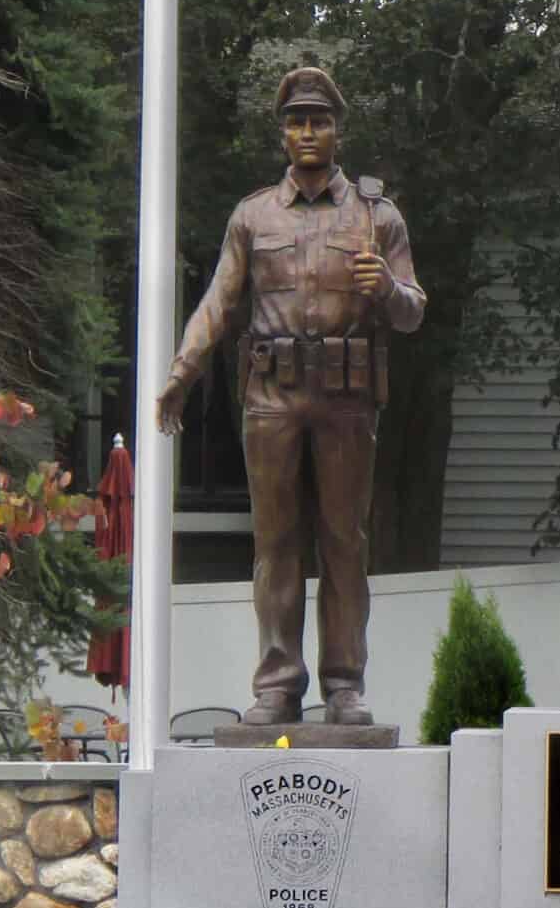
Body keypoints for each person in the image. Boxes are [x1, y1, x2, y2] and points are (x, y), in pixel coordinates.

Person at [156, 66, 424, 726]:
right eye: (298, 121)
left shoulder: (376, 214)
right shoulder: (253, 215)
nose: (308, 132)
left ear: (337, 130)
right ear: (283, 133)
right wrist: (182, 373)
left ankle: (343, 686)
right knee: (275, 544)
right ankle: (277, 684)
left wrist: (385, 287)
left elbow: (414, 310)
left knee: (342, 542)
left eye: (320, 121)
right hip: (272, 397)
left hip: (344, 398)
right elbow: (219, 301)